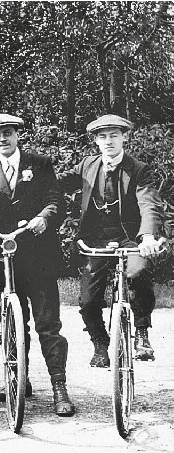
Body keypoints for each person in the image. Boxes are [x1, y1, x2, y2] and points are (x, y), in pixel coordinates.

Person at [0, 114, 75, 416]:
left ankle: (59, 386)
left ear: (18, 135)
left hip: (39, 256)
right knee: (14, 322)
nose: (3, 139)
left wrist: (44, 218)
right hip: (7, 256)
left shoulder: (39, 163)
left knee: (48, 325)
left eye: (8, 133)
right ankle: (17, 379)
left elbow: (56, 200)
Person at [57, 114, 164, 366]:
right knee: (88, 300)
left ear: (124, 137)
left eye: (114, 135)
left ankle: (141, 332)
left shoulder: (138, 169)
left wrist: (147, 235)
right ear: (96, 140)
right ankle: (100, 344)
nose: (108, 141)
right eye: (103, 137)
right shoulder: (87, 165)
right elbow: (59, 182)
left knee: (139, 274)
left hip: (130, 238)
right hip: (96, 240)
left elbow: (148, 203)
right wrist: (32, 176)